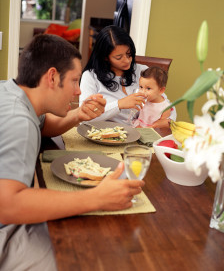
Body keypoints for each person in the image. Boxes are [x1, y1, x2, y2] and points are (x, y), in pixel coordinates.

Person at [0, 34, 144, 270]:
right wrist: (97, 198)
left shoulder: (12, 91)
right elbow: (7, 205)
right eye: (74, 81)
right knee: (89, 256)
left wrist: (78, 115)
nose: (78, 92)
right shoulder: (19, 121)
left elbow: (44, 125)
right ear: (52, 77)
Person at [80, 25, 176, 126]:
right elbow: (84, 116)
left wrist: (161, 123)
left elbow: (168, 107)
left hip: (141, 134)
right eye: (118, 57)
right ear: (105, 57)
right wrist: (119, 104)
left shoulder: (142, 71)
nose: (127, 60)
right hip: (105, 134)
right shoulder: (90, 76)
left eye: (129, 54)